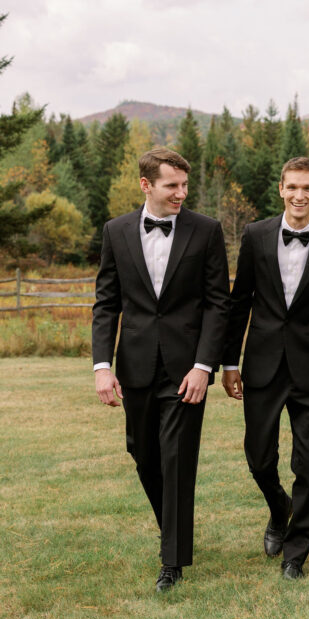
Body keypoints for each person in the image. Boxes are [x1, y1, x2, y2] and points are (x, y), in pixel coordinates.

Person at [92, 147, 230, 592]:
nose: (181, 194)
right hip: (135, 366)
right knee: (143, 453)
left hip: (186, 368)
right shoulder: (115, 232)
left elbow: (217, 304)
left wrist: (203, 366)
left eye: (185, 185)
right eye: (172, 185)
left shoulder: (206, 231)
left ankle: (172, 561)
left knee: (176, 458)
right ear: (146, 185)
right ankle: (172, 528)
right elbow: (107, 303)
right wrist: (101, 365)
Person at [221, 156, 309, 581]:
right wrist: (229, 362)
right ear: (281, 189)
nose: (299, 195)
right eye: (292, 187)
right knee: (259, 458)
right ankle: (279, 509)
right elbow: (239, 303)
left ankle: (296, 552)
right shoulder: (256, 235)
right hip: (261, 366)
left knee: (308, 464)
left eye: (307, 188)